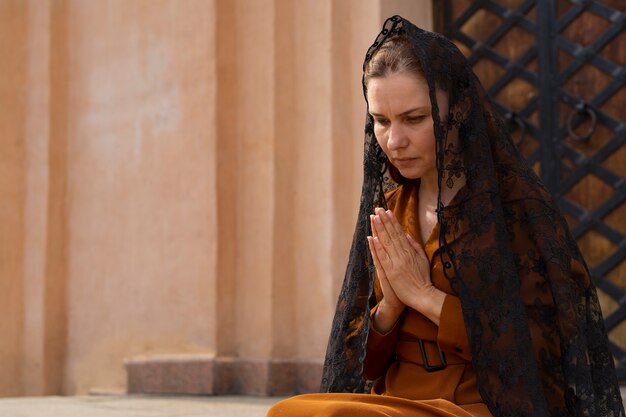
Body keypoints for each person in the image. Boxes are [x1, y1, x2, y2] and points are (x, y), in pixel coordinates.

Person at [266, 16, 625, 417]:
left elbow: (536, 354)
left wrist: (424, 295)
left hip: (477, 405)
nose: (394, 141)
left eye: (414, 119)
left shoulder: (515, 214)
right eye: (381, 121)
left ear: (458, 111)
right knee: (291, 412)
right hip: (397, 400)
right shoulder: (391, 207)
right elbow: (359, 366)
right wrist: (390, 308)